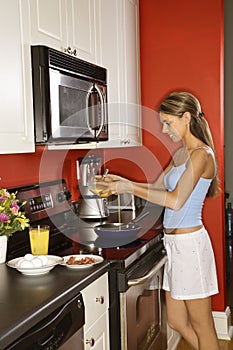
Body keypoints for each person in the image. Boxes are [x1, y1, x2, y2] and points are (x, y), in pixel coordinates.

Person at [96, 91, 220, 350]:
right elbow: (155, 187)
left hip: (190, 246)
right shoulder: (180, 155)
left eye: (168, 122)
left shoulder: (202, 155)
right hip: (174, 246)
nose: (164, 129)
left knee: (202, 324)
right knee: (175, 320)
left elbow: (175, 200)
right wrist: (119, 183)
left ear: (186, 117)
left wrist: (128, 186)